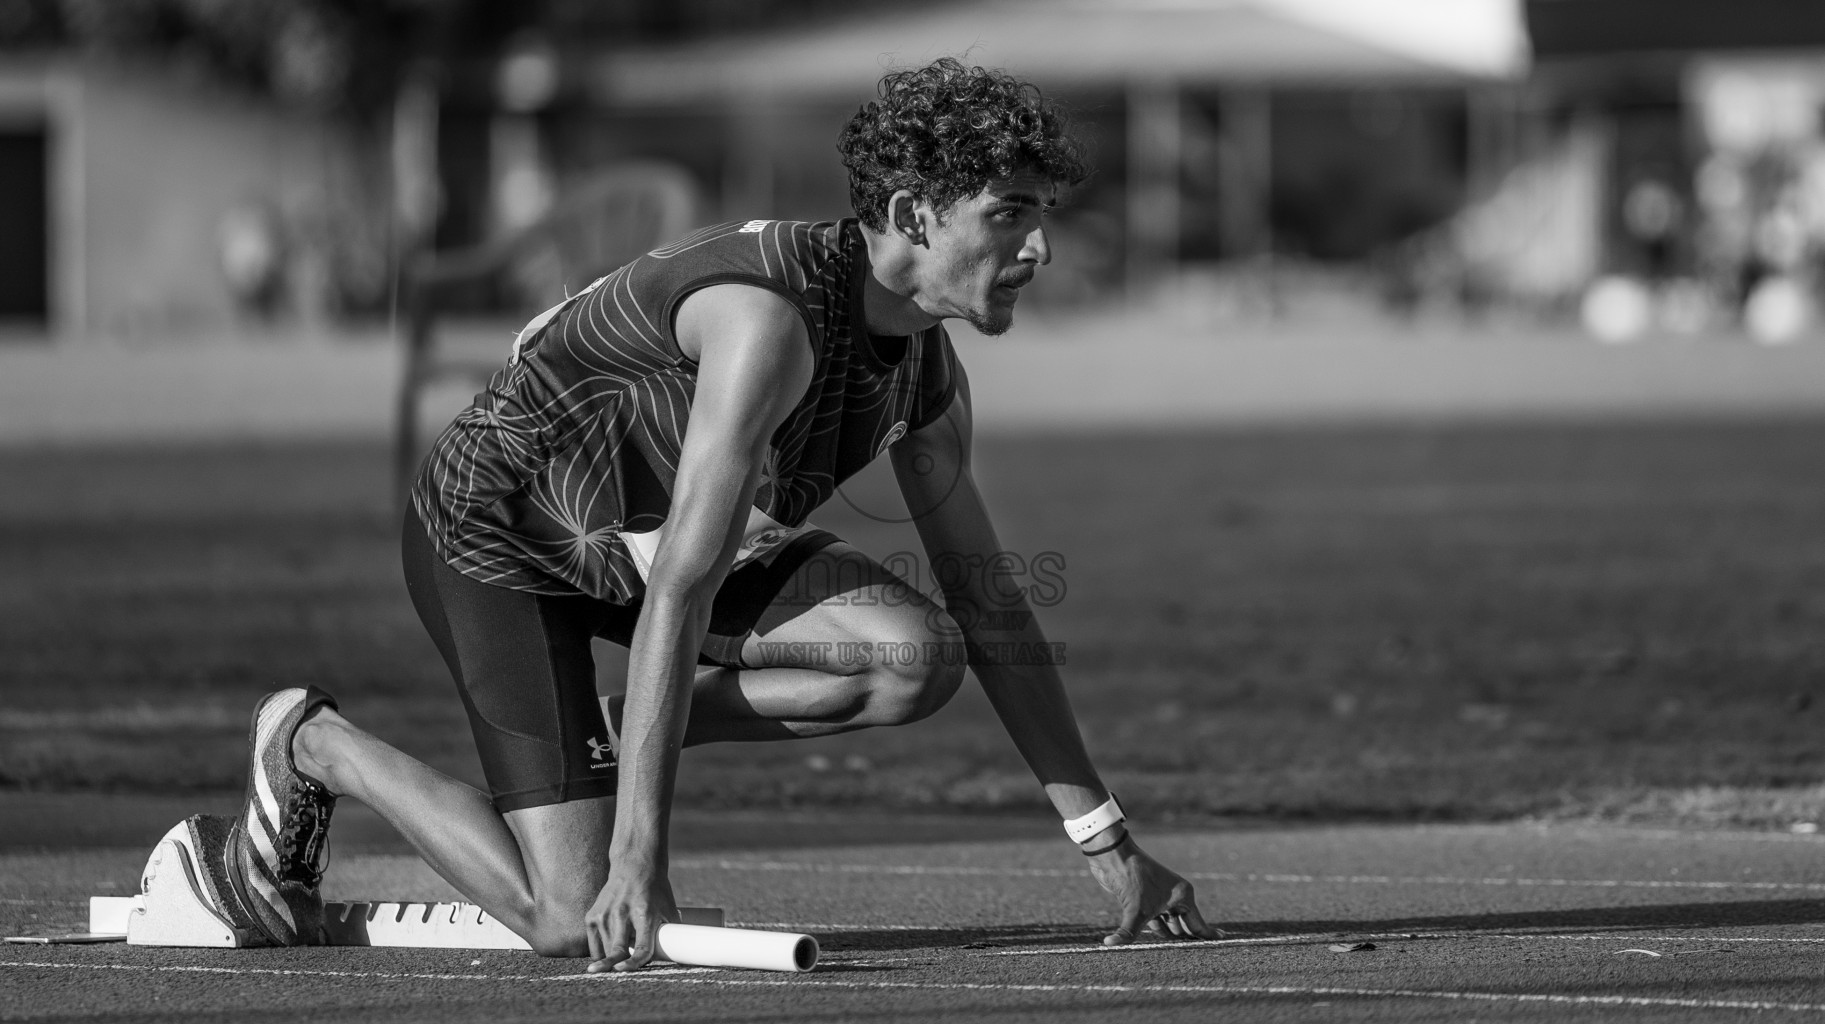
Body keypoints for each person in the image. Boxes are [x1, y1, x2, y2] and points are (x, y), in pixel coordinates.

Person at [215, 56, 1217, 971]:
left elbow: (989, 606)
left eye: (1042, 213)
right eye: (1010, 214)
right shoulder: (766, 323)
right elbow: (685, 588)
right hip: (496, 537)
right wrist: (637, 853)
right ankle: (311, 742)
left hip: (649, 559)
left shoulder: (927, 375)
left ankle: (606, 737)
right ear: (914, 214)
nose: (1039, 245)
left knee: (915, 655)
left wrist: (1107, 842)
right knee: (572, 918)